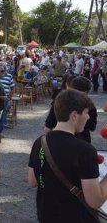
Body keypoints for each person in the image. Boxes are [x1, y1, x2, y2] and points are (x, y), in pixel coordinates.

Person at [28, 89, 104, 223]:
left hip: (46, 215)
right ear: (74, 115)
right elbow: (95, 201)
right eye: (86, 113)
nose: (88, 117)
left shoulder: (39, 142)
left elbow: (33, 181)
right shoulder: (85, 150)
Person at [44, 76, 97, 143]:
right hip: (82, 142)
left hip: (60, 141)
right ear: (85, 92)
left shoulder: (59, 102)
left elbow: (48, 127)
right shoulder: (90, 106)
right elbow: (92, 127)